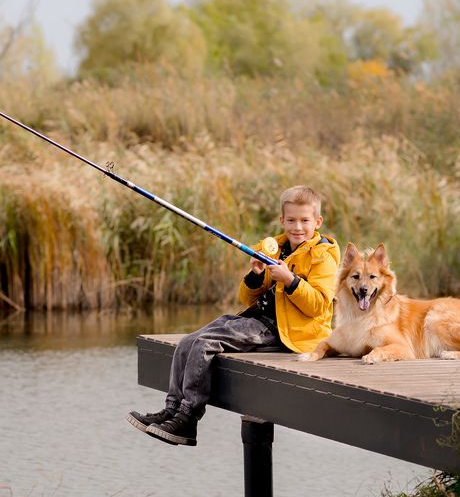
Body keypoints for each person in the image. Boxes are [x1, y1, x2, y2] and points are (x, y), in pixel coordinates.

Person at [127, 185, 341, 446]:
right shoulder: (276, 248)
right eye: (291, 220)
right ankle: (172, 409)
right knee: (187, 342)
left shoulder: (323, 257)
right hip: (258, 319)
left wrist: (290, 280)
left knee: (204, 344)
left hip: (289, 332)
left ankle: (188, 418)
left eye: (305, 221)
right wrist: (256, 275)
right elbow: (247, 299)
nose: (298, 227)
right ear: (282, 220)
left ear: (317, 222)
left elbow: (319, 305)